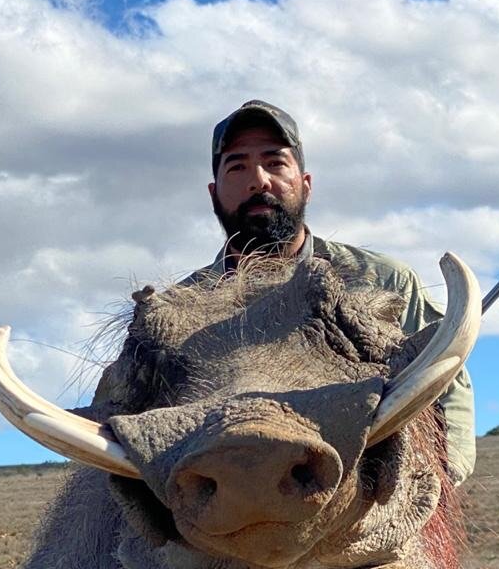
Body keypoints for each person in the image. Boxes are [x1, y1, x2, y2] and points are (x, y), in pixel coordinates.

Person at [187, 99, 476, 484]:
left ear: (305, 186)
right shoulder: (183, 306)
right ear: (213, 194)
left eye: (275, 163)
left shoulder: (384, 281)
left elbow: (445, 378)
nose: (258, 180)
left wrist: (442, 479)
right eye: (237, 166)